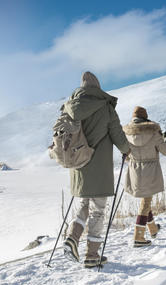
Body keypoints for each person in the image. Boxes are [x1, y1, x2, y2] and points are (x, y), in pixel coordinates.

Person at [63, 71, 130, 268]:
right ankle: (92, 254)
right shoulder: (106, 107)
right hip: (99, 167)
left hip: (78, 165)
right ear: (97, 88)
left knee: (84, 204)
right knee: (98, 210)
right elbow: (118, 135)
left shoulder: (69, 107)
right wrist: (127, 150)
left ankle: (72, 237)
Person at [123, 106, 166, 247]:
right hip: (151, 170)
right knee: (146, 202)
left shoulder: (126, 134)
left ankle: (153, 229)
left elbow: (125, 155)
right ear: (145, 117)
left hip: (135, 170)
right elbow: (165, 151)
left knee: (146, 199)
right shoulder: (154, 132)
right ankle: (139, 237)